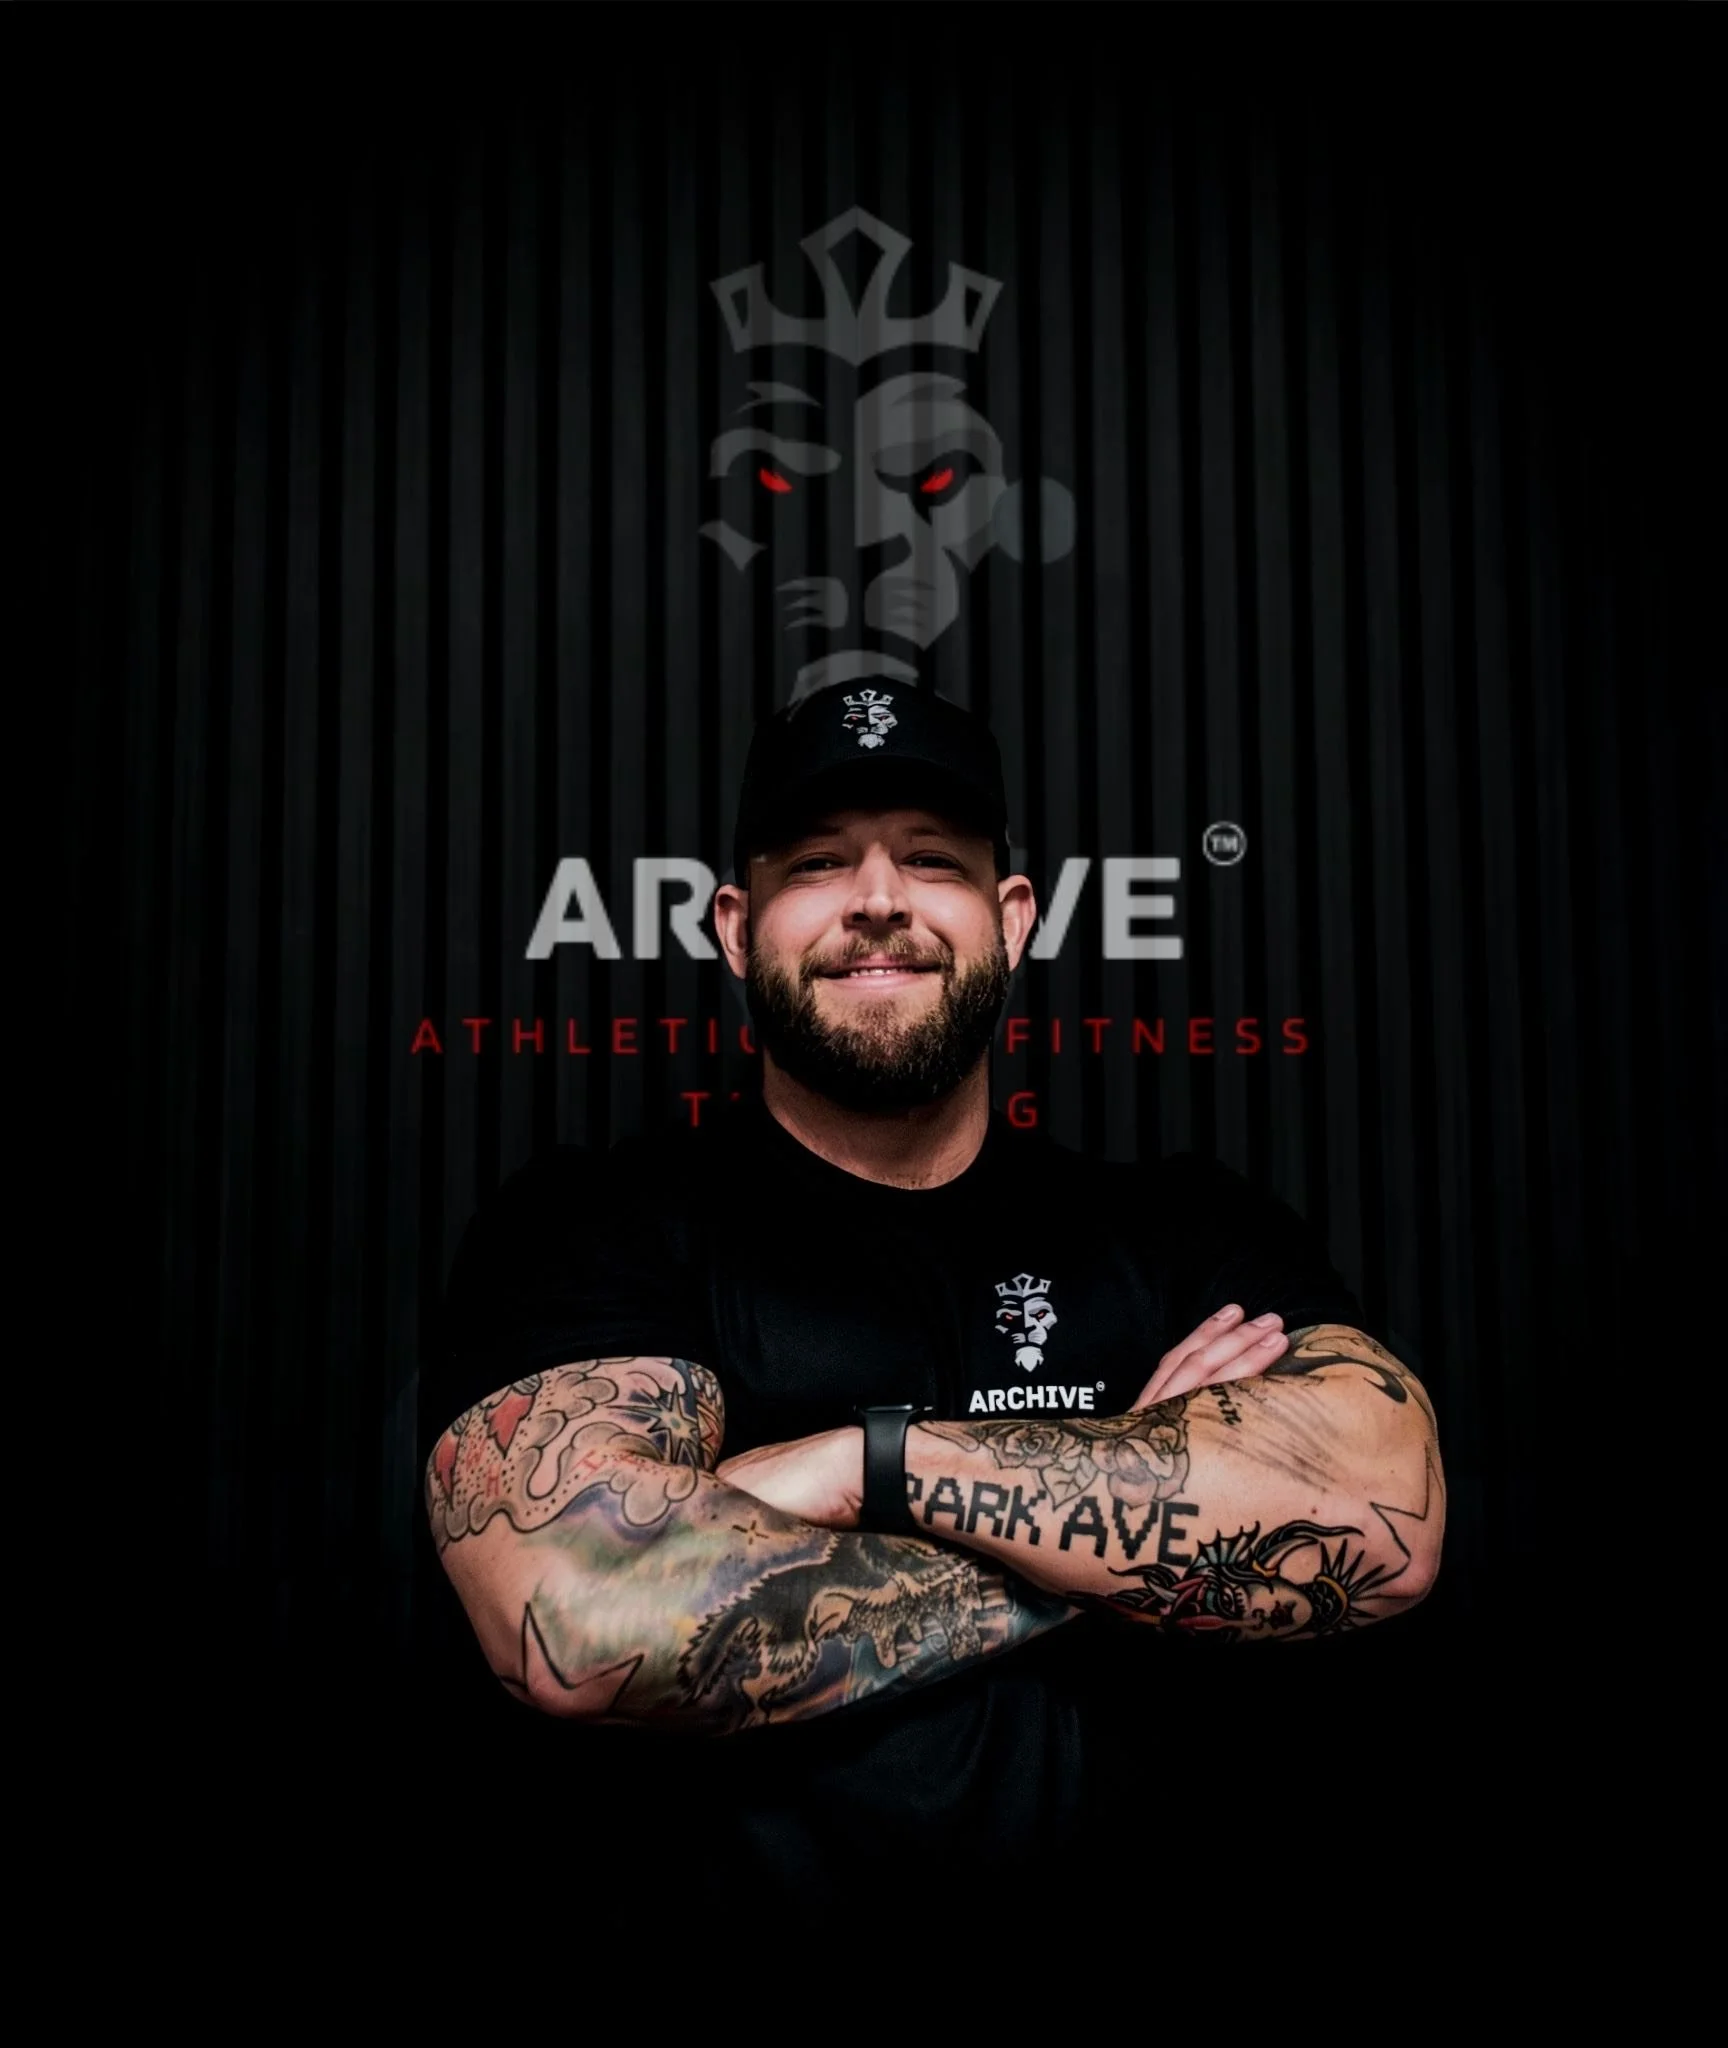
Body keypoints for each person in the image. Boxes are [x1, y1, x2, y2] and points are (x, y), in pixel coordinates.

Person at [420, 685, 1444, 1926]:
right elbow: (579, 1623)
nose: (878, 899)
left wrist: (866, 1464)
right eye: (816, 861)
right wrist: (1138, 1510)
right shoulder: (590, 1232)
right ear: (736, 925)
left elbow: (1385, 1524)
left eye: (931, 858)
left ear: (1012, 917)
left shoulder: (1179, 1228)